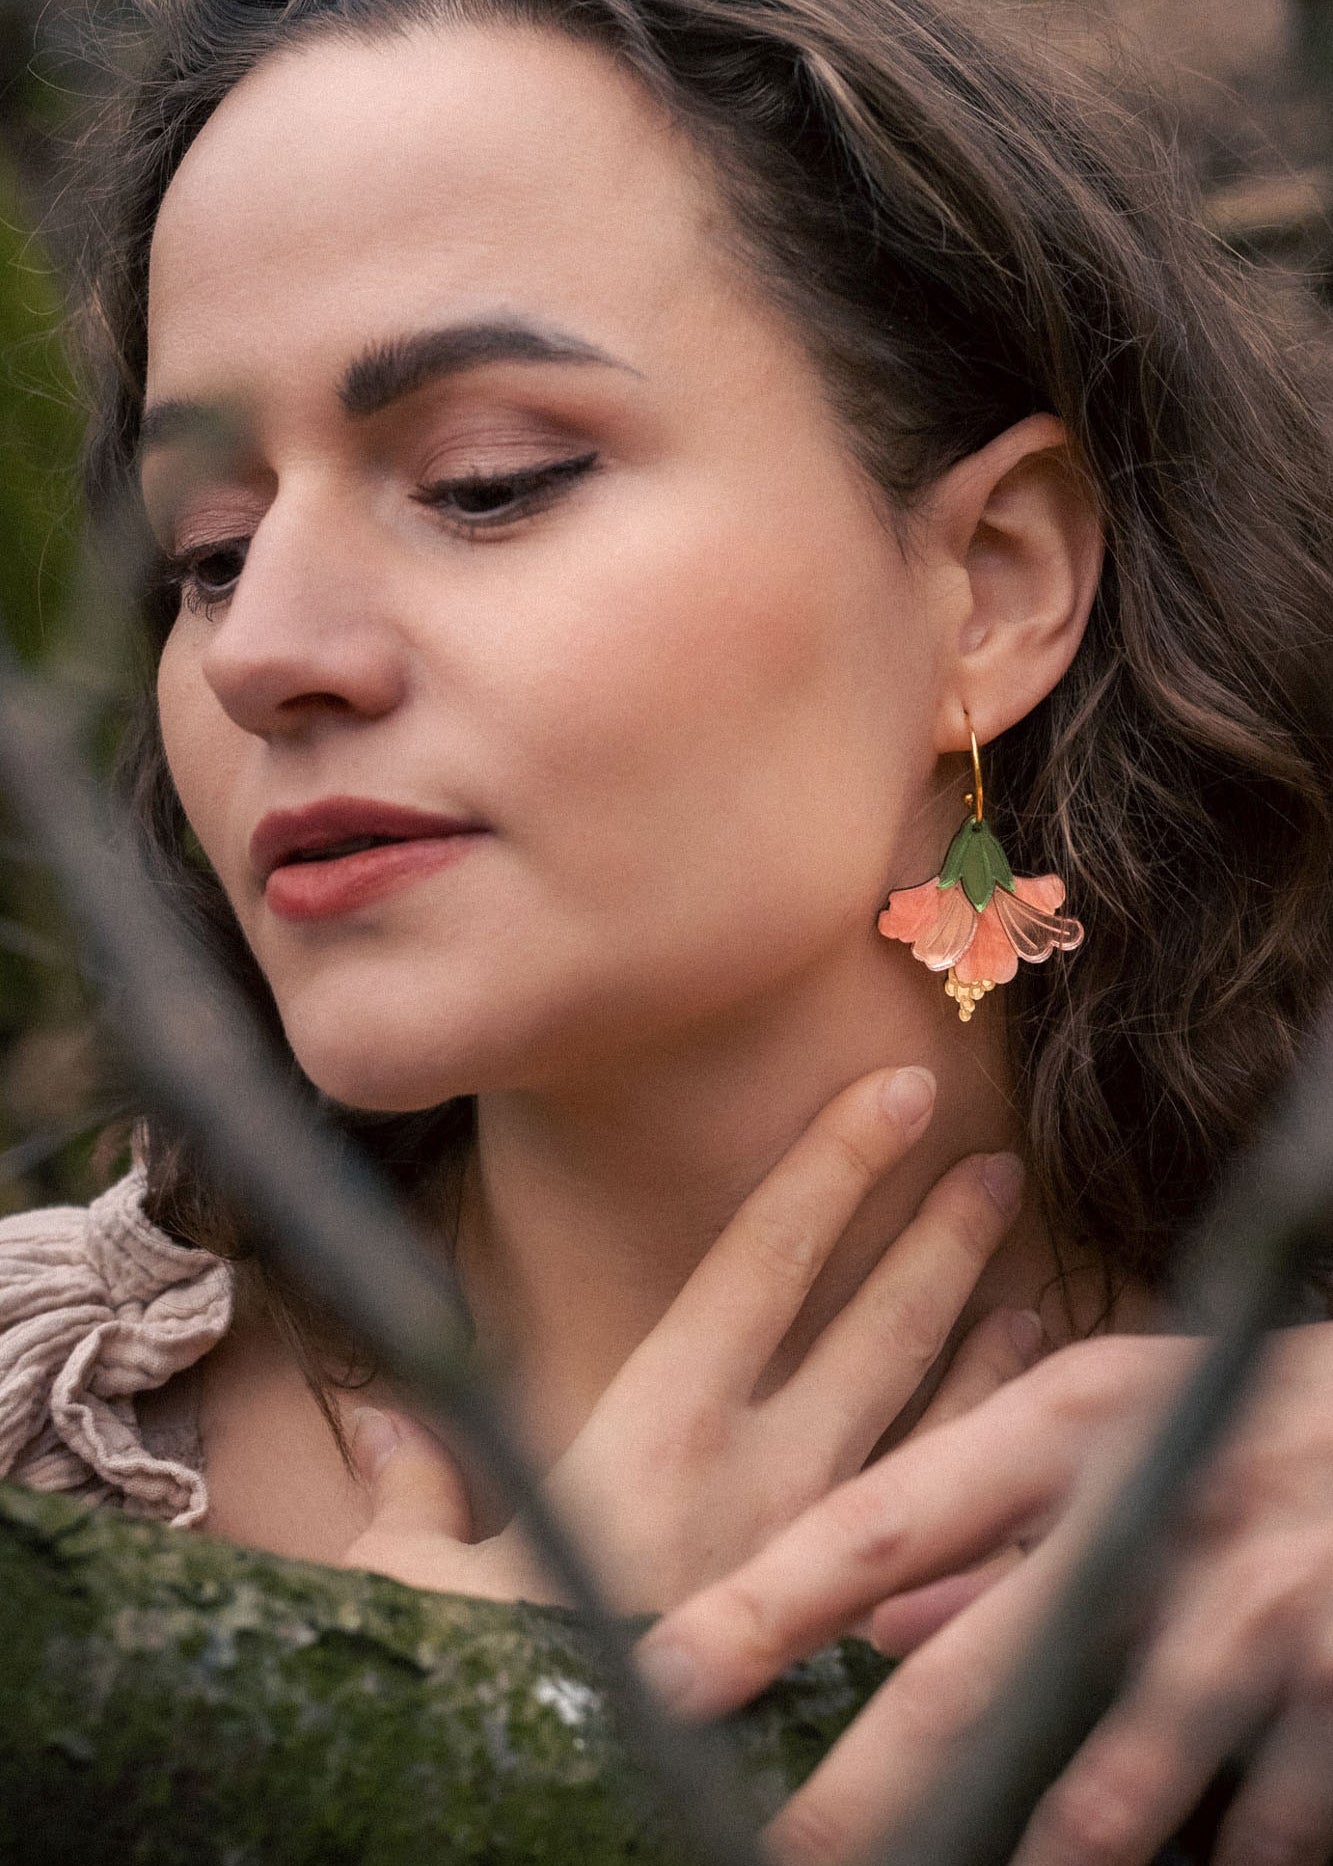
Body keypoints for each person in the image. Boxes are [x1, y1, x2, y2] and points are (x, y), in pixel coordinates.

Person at [1, 0, 1331, 1859]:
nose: (265, 651)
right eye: (204, 551)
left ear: (990, 583)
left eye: (485, 483)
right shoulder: (39, 1447)